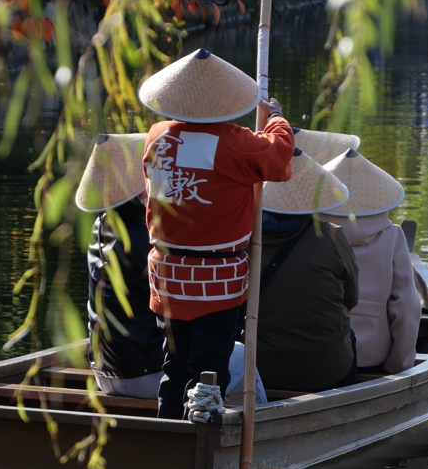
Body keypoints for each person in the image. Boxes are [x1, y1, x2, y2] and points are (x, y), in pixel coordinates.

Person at [139, 48, 295, 419]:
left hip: (169, 273)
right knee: (209, 367)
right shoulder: (235, 142)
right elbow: (279, 156)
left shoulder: (158, 136)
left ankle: (166, 434)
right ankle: (201, 439)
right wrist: (274, 118)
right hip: (217, 276)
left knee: (174, 365)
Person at [255, 141, 360, 394]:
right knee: (350, 336)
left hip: (257, 369)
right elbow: (351, 299)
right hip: (327, 371)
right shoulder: (332, 236)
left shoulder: (245, 237)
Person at [76, 133, 165, 398]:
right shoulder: (142, 239)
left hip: (104, 373)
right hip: (146, 373)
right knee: (240, 357)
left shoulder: (101, 225)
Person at [322, 148, 422, 374]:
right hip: (371, 359)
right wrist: (397, 365)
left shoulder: (310, 234)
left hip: (316, 356)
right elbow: (407, 309)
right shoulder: (392, 236)